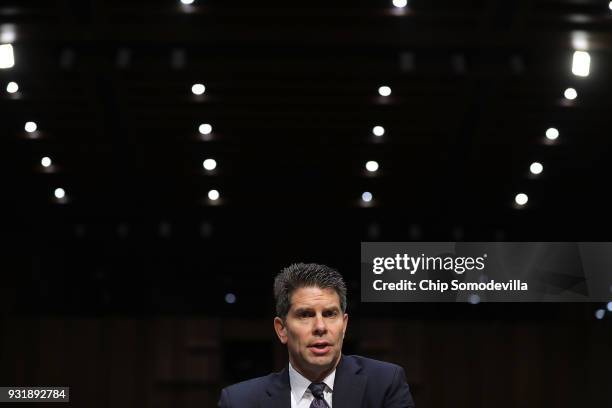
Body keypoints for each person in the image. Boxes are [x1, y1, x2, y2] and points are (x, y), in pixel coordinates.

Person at [218, 263, 416, 408]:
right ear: (282, 329)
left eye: (330, 314)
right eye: (305, 315)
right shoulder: (239, 402)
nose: (320, 326)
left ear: (344, 325)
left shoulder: (385, 384)